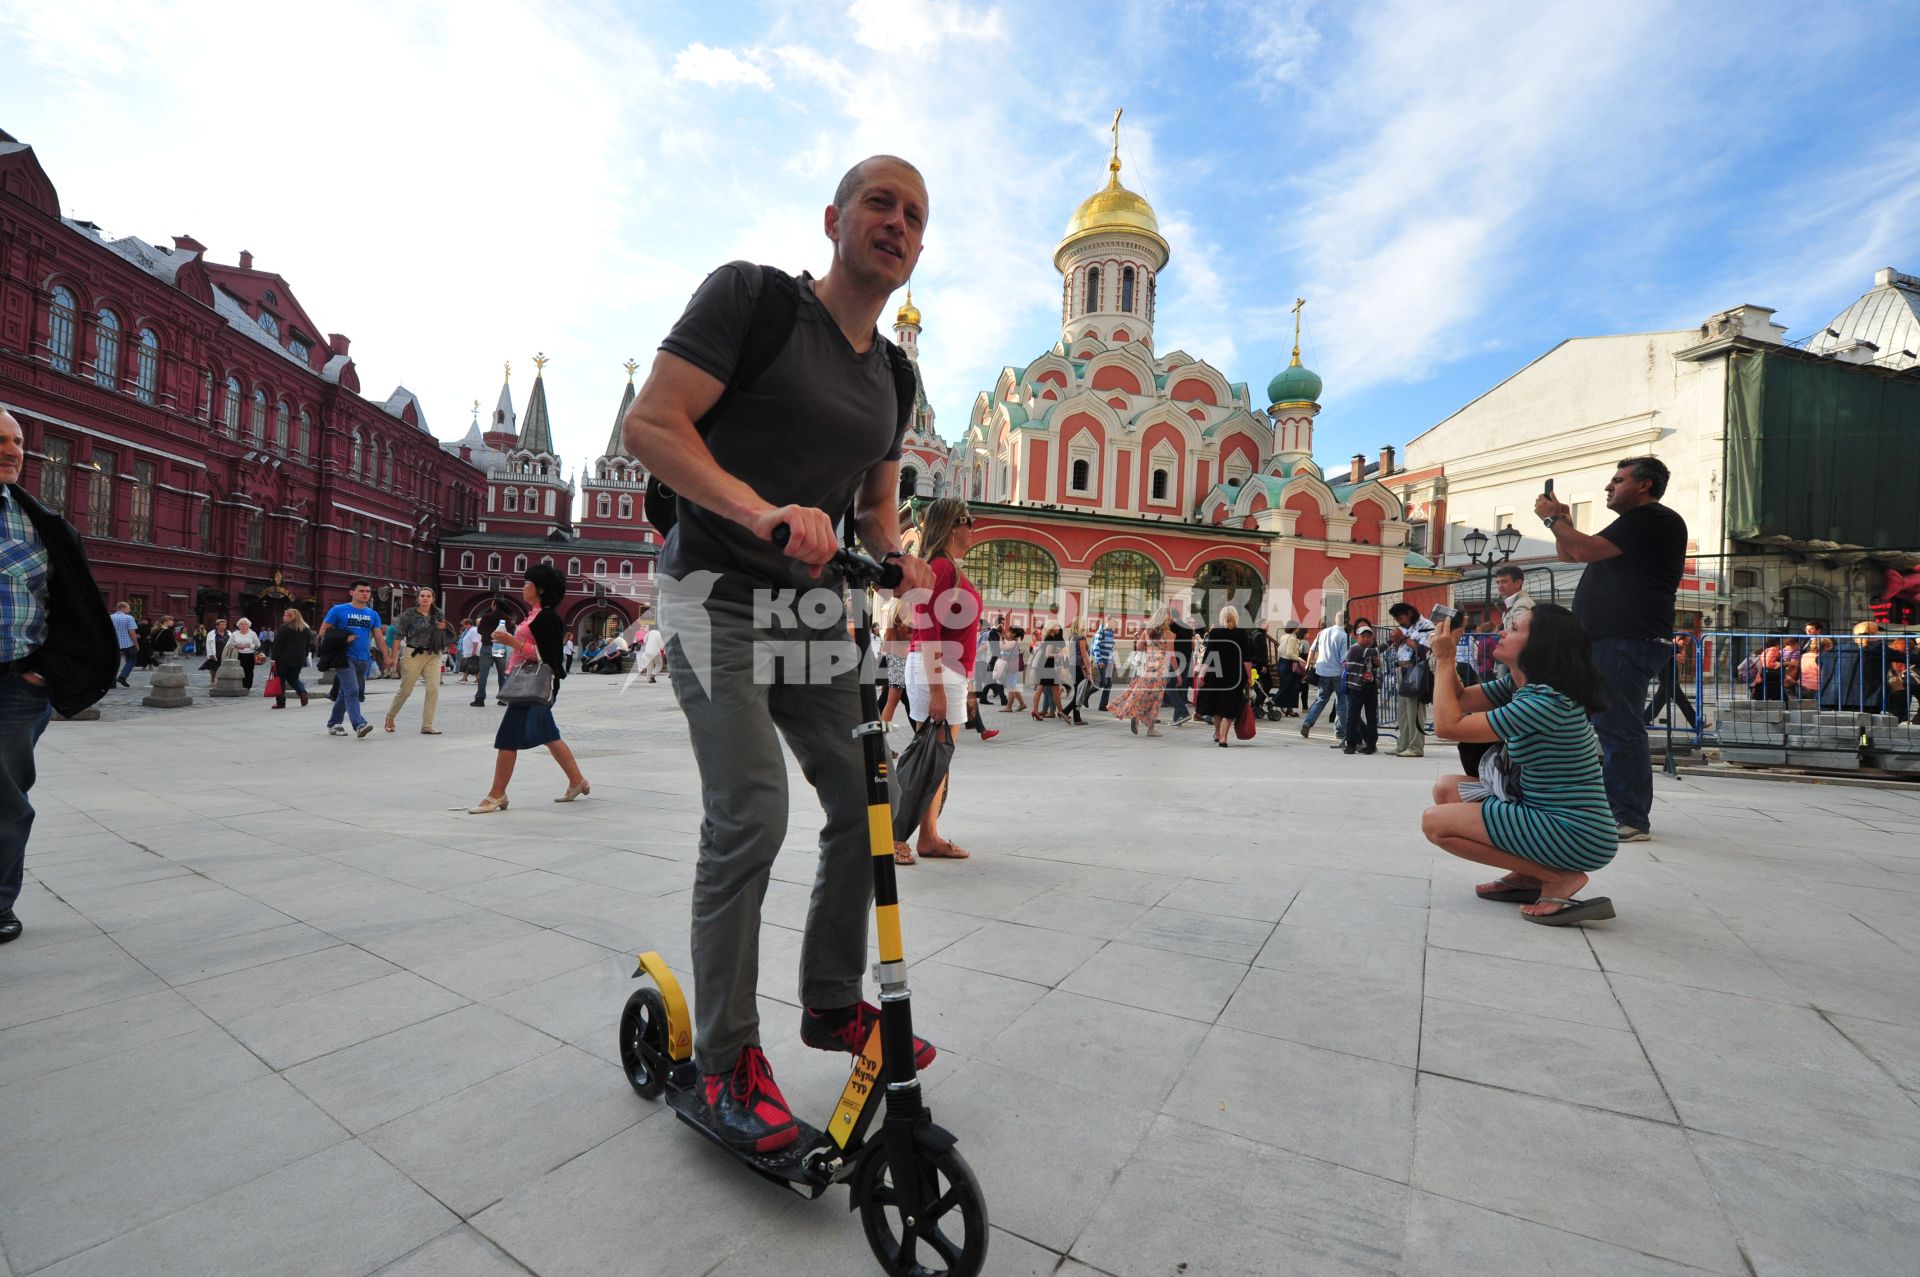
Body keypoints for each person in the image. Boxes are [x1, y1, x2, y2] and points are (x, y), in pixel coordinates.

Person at [623, 155, 939, 1155]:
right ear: (835, 217)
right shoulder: (751, 299)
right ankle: (723, 1063)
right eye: (879, 202)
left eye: (914, 214)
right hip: (709, 593)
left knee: (866, 798)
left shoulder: (896, 373)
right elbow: (651, 423)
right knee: (753, 809)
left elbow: (879, 510)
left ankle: (832, 1002)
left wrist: (899, 560)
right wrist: (763, 510)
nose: (896, 221)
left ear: (920, 248)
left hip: (810, 615)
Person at [1422, 604, 1619, 925]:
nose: (1501, 631)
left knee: (1436, 823)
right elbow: (1458, 699)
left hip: (1578, 832)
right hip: (1547, 815)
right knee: (1447, 788)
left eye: (1513, 629)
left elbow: (1447, 726)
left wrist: (1445, 659)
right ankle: (1529, 877)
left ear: (1540, 645)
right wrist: (1449, 651)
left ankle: (1556, 876)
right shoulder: (1521, 688)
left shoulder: (1546, 702)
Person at [0, 408, 117, 943]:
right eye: (1, 440)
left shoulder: (41, 524)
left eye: (18, 441)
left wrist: (43, 674)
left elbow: (72, 610)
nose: (12, 450)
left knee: (4, 800)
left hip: (13, 685)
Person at [1536, 455, 1685, 843]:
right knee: (1601, 724)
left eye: (1617, 480)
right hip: (1606, 639)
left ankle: (1630, 816)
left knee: (1618, 726)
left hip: (1627, 639)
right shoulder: (1630, 524)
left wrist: (1555, 520)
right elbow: (1570, 553)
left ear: (1644, 485)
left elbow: (1583, 551)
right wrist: (1561, 525)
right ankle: (1602, 806)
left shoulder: (1655, 519)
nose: (1609, 486)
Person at [467, 565, 589, 812]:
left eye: (527, 583)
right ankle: (578, 781)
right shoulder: (534, 614)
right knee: (550, 735)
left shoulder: (547, 617)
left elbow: (548, 655)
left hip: (534, 687)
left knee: (507, 738)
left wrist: (513, 642)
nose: (523, 587)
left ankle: (497, 794)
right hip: (527, 684)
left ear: (540, 588)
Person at [898, 496, 981, 862]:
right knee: (928, 760)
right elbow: (927, 628)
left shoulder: (946, 567)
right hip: (939, 671)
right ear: (953, 526)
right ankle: (899, 834)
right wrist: (936, 688)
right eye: (969, 520)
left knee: (936, 759)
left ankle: (927, 836)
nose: (973, 527)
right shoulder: (941, 568)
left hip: (947, 671)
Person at [319, 580, 390, 738]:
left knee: (346, 693)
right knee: (353, 691)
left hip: (364, 659)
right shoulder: (338, 610)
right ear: (352, 592)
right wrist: (343, 639)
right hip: (344, 657)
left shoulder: (372, 614)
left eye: (368, 591)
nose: (365, 593)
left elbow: (378, 637)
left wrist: (387, 656)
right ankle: (359, 724)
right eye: (361, 591)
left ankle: (334, 723)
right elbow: (323, 631)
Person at [386, 587, 451, 734]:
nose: (425, 598)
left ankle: (427, 725)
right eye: (422, 596)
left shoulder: (438, 613)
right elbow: (398, 636)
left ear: (433, 599)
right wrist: (393, 657)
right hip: (413, 653)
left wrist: (444, 627)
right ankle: (390, 717)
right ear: (418, 598)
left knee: (433, 689)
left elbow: (444, 633)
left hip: (433, 654)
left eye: (429, 596)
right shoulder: (409, 614)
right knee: (406, 690)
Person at [1111, 608, 1173, 736]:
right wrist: (1177, 673)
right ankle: (1151, 729)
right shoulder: (1167, 633)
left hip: (1148, 668)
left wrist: (1149, 647)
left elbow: (1139, 647)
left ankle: (1136, 714)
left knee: (1141, 693)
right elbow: (1171, 655)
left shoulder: (1147, 631)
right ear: (1166, 618)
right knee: (1155, 698)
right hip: (1161, 670)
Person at [1197, 605, 1252, 747]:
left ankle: (1217, 732)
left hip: (1216, 674)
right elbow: (1246, 658)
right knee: (1230, 704)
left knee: (1216, 703)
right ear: (1236, 617)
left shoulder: (1215, 632)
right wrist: (1250, 676)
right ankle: (1223, 737)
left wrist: (1201, 673)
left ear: (1222, 618)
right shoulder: (1241, 633)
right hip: (1235, 674)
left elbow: (1208, 655)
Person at [1387, 602, 1435, 757]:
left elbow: (1422, 650)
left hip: (1416, 671)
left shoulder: (1427, 625)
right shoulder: (1403, 628)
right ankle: (1402, 745)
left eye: (1400, 617)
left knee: (1414, 712)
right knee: (1402, 712)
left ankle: (1415, 747)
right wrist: (1397, 641)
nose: (1399, 622)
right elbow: (1401, 650)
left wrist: (1404, 638)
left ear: (1410, 613)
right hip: (1402, 669)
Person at [1300, 615, 1350, 738]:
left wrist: (1307, 665)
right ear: (1347, 623)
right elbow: (1344, 658)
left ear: (1335, 620)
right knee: (1341, 702)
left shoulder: (1323, 632)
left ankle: (1308, 722)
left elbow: (1312, 650)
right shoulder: (1344, 636)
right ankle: (1339, 731)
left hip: (1322, 671)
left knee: (1321, 700)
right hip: (1338, 672)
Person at [1342, 624, 1383, 754]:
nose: (1366, 639)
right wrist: (1391, 641)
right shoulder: (1355, 649)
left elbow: (1371, 668)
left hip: (1369, 687)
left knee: (1372, 717)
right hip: (1356, 688)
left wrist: (1376, 665)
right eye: (1363, 636)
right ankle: (1351, 745)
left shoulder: (1368, 651)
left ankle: (1371, 745)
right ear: (1357, 637)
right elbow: (1376, 651)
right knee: (1353, 717)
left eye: (1369, 636)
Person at [270, 608, 313, 708]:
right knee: (293, 678)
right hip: (298, 659)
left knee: (280, 681)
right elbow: (307, 645)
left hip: (283, 659)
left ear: (291, 616)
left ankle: (280, 703)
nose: (283, 617)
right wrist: (304, 656)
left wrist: (273, 659)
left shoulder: (284, 628)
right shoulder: (305, 628)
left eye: (285, 615)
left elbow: (277, 645)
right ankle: (302, 692)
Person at [1164, 601, 1197, 727]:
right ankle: (1177, 720)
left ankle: (1183, 713)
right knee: (1180, 688)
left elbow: (1170, 645)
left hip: (1176, 660)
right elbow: (1192, 645)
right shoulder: (1188, 627)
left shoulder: (1172, 627)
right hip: (1187, 659)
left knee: (1170, 687)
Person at [471, 601, 509, 706]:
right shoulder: (507, 618)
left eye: (492, 604)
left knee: (483, 673)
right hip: (500, 646)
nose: (491, 606)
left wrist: (487, 634)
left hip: (487, 646)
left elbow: (479, 630)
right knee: (502, 674)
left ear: (495, 606)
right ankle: (503, 699)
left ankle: (480, 699)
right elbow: (509, 631)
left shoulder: (486, 617)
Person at [226, 616, 262, 691]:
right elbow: (229, 643)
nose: (243, 625)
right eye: (241, 624)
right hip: (238, 655)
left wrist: (248, 645)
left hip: (249, 655)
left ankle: (247, 686)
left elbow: (258, 644)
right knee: (238, 670)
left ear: (248, 625)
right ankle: (240, 685)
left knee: (249, 671)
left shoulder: (252, 633)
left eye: (245, 624)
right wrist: (237, 645)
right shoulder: (235, 634)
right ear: (238, 625)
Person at [109, 601, 139, 687]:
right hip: (127, 643)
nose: (129, 610)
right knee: (132, 659)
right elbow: (132, 632)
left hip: (113, 643)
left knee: (114, 662)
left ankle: (112, 682)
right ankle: (122, 676)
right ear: (122, 608)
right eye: (128, 608)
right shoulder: (129, 618)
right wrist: (136, 644)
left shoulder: (110, 617)